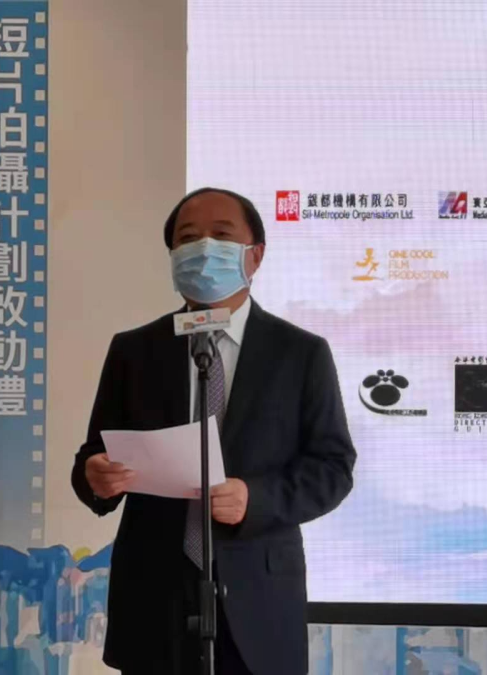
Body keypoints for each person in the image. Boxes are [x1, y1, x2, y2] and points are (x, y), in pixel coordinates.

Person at [71, 188, 357, 674]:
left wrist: (255, 499)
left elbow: (333, 468)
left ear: (255, 255)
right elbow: (92, 457)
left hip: (260, 598)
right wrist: (95, 477)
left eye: (221, 235)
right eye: (188, 238)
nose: (203, 248)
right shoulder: (134, 351)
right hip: (153, 600)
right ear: (172, 257)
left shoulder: (300, 353)